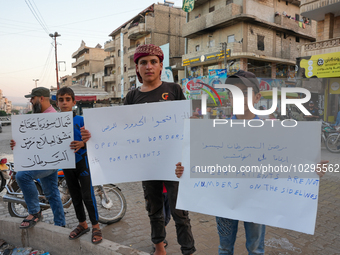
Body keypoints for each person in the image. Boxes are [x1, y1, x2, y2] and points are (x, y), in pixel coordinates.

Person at [175, 70, 328, 255]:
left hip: (257, 201)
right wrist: (184, 170)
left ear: (257, 97)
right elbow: (200, 162)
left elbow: (286, 161)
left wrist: (313, 169)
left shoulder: (271, 132)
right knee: (224, 248)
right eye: (233, 92)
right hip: (225, 201)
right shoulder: (215, 131)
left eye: (245, 92)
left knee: (255, 249)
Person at [81, 44, 196, 255]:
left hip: (174, 164)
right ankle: (159, 247)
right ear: (137, 68)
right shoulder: (132, 97)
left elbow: (186, 125)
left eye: (153, 62)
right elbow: (118, 130)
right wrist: (92, 135)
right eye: (143, 62)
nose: (148, 66)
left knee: (180, 211)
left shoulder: (174, 90)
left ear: (161, 66)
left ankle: (188, 250)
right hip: (147, 165)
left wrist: (193, 121)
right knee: (154, 210)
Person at [10, 87, 66, 229]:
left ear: (41, 98)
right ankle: (60, 224)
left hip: (51, 161)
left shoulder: (53, 117)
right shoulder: (38, 117)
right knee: (52, 193)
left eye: (32, 98)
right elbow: (31, 141)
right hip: (42, 160)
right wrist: (17, 144)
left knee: (22, 176)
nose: (30, 101)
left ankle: (35, 212)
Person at [56, 87, 102, 244]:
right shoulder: (52, 124)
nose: (64, 102)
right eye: (61, 100)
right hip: (66, 164)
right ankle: (83, 224)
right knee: (75, 196)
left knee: (87, 196)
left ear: (74, 102)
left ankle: (96, 226)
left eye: (68, 99)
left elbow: (95, 139)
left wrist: (83, 143)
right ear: (57, 103)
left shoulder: (81, 120)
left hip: (82, 163)